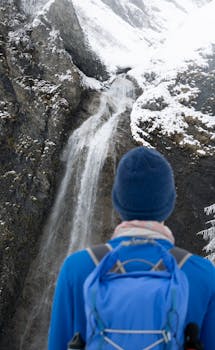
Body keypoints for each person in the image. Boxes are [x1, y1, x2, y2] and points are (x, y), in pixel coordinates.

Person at [48, 146, 215, 350]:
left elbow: (57, 344)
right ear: (170, 202)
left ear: (117, 200)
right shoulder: (202, 274)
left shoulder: (77, 268)